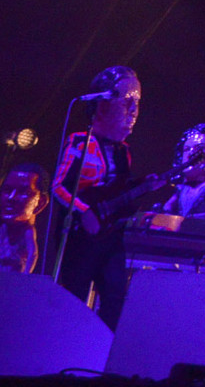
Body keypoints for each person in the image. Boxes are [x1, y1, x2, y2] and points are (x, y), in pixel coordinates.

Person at [52, 65, 143, 327]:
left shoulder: (123, 151)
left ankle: (101, 350)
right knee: (73, 296)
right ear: (102, 104)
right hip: (79, 237)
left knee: (115, 297)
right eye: (126, 101)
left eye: (137, 102)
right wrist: (83, 211)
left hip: (111, 235)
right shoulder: (80, 142)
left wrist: (145, 185)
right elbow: (58, 186)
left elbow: (120, 191)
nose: (133, 111)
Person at [153, 124, 205, 221]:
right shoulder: (181, 189)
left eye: (199, 149)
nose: (191, 154)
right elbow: (168, 207)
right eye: (186, 149)